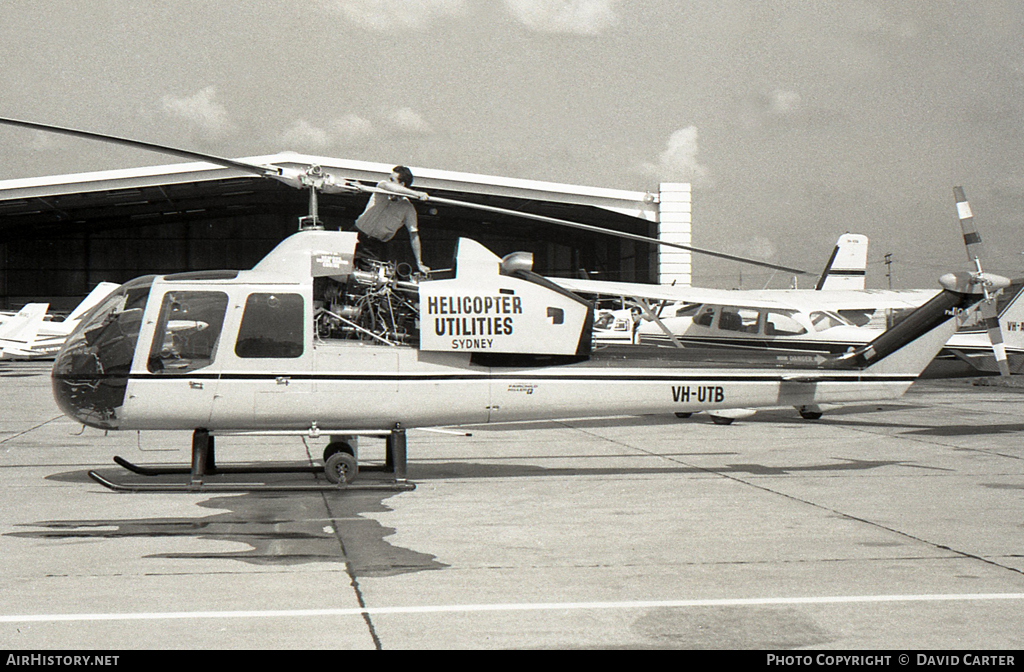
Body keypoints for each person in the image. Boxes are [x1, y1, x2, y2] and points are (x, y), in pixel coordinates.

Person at [353, 165, 430, 274]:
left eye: (392, 179)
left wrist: (419, 263)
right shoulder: (381, 188)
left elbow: (414, 235)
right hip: (355, 236)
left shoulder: (407, 208)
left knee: (369, 279)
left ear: (402, 184)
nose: (388, 181)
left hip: (373, 247)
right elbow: (388, 186)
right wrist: (417, 193)